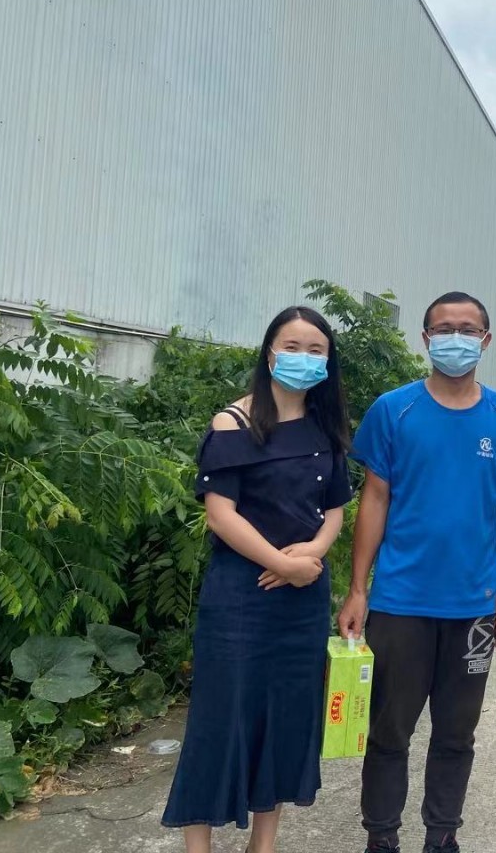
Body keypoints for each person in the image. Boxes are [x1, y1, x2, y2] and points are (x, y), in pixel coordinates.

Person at [339, 291, 496, 853]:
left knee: (457, 732)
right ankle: (382, 837)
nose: (457, 338)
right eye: (444, 328)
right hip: (400, 600)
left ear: (486, 339)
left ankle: (442, 835)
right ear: (426, 339)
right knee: (389, 730)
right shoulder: (394, 410)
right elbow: (374, 497)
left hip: (474, 605)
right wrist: (358, 589)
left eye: (468, 328)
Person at [162, 306, 353, 853]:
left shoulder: (326, 428)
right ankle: (198, 844)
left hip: (302, 600)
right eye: (292, 346)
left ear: (328, 361)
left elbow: (335, 509)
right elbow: (220, 515)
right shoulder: (233, 423)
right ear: (270, 353)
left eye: (316, 350)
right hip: (241, 597)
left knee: (284, 717)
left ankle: (263, 843)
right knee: (220, 717)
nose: (304, 357)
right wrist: (281, 562)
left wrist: (313, 552)